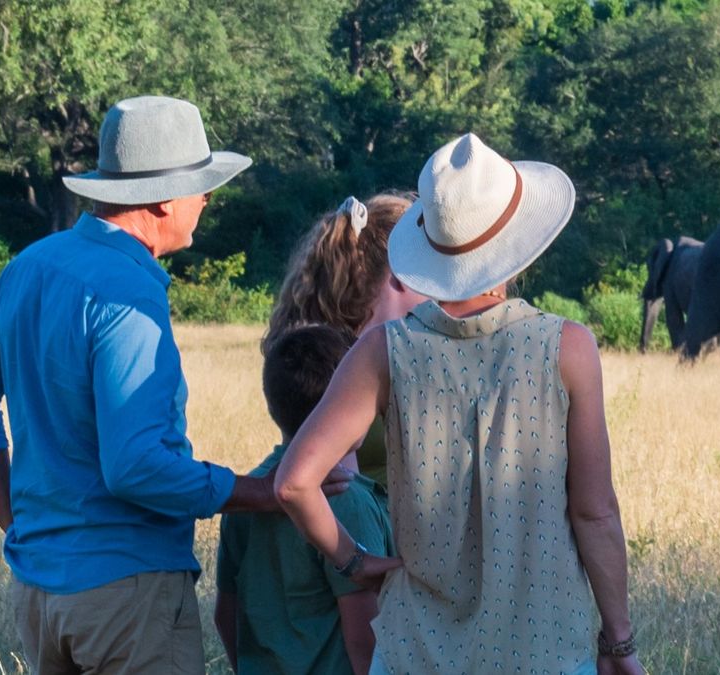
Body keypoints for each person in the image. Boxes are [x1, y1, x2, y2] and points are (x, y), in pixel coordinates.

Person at [0, 95, 347, 674]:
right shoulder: (128, 289)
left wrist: (29, 528)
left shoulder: (29, 266)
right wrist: (265, 492)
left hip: (40, 595)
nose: (207, 198)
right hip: (128, 598)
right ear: (160, 199)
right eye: (200, 185)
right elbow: (136, 466)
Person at [274, 133, 646, 675]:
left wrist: (354, 561)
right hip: (544, 654)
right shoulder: (568, 348)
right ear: (519, 241)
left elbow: (293, 483)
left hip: (414, 655)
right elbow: (594, 511)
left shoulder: (383, 351)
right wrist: (617, 641)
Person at [215, 324, 395, 675]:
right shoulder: (348, 500)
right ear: (348, 403)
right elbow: (365, 640)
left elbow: (225, 614)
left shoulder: (247, 497)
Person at [263, 192, 427, 483]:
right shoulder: (332, 364)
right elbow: (340, 493)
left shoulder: (325, 350)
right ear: (400, 277)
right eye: (431, 275)